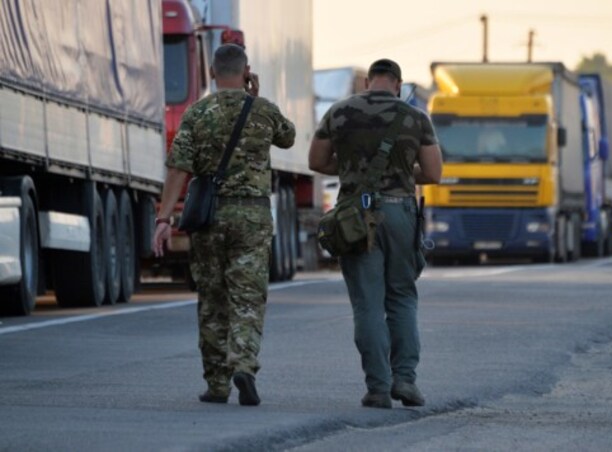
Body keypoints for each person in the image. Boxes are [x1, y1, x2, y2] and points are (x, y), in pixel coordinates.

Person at [151, 44, 295, 406]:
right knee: (247, 297)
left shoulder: (197, 113)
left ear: (212, 73)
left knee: (212, 300)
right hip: (252, 218)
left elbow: (178, 168)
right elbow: (288, 137)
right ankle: (244, 364)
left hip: (210, 218)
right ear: (246, 71)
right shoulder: (264, 112)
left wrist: (164, 218)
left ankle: (217, 384)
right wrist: (255, 97)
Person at [308, 58, 442, 409]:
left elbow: (317, 162)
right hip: (400, 213)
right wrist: (401, 171)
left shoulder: (339, 112)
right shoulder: (416, 118)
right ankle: (406, 380)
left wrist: (353, 168)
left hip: (357, 214)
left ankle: (379, 388)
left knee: (367, 304)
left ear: (368, 81)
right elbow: (434, 172)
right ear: (397, 83)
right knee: (402, 297)